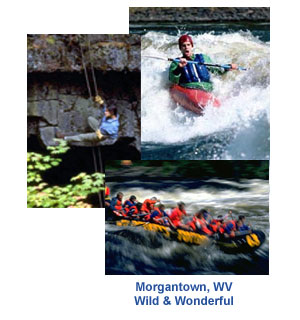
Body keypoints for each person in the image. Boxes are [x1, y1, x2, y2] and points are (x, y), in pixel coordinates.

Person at [169, 34, 238, 93]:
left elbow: (217, 69)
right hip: (188, 88)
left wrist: (228, 67)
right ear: (180, 48)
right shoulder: (176, 62)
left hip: (206, 88)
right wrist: (179, 68)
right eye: (183, 46)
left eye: (188, 45)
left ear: (192, 46)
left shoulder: (203, 58)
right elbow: (172, 79)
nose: (186, 47)